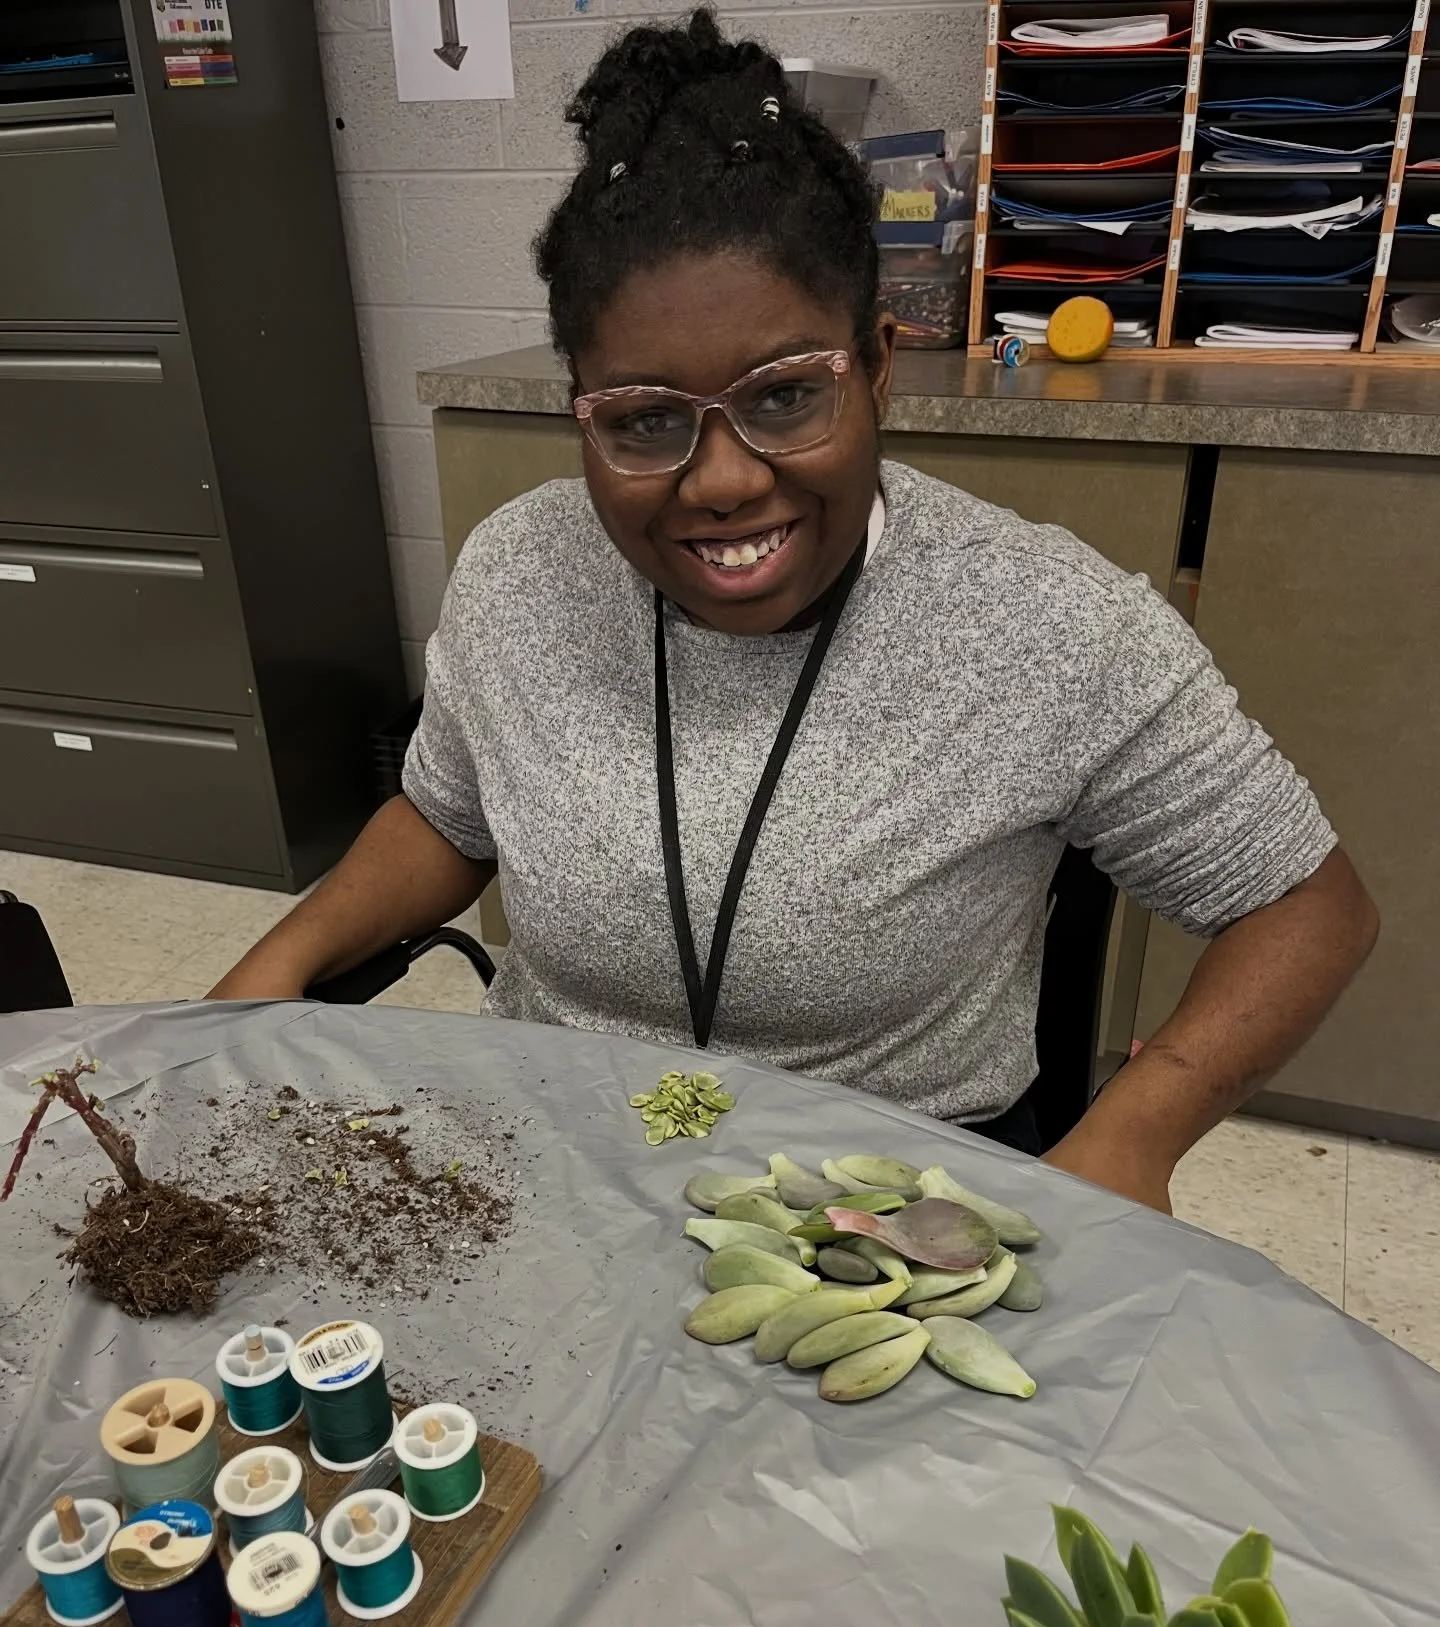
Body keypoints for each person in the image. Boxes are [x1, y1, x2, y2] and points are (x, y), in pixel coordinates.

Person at [210, 10, 1378, 1213]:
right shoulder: (519, 570)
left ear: (875, 366)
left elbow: (1306, 907)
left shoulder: (1045, 623)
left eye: (783, 398)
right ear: (584, 414)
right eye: (644, 419)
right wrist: (279, 961)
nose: (721, 482)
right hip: (559, 1156)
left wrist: (1132, 1138)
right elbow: (449, 819)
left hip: (883, 1214)